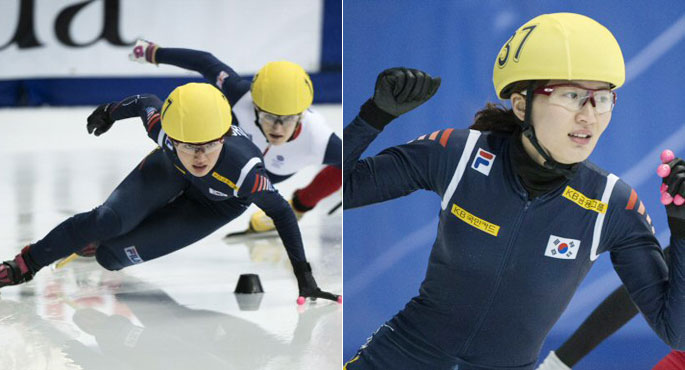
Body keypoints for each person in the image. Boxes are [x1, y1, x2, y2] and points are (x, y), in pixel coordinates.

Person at [343, 12, 685, 370]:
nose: (589, 116)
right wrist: (373, 116)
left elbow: (676, 334)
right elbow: (344, 186)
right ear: (522, 104)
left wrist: (683, 233)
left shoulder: (613, 205)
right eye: (572, 96)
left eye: (601, 99)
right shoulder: (458, 154)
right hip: (400, 357)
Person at [0, 82, 339, 304]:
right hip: (168, 169)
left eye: (208, 146)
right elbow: (147, 102)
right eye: (189, 146)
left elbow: (281, 212)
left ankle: (102, 242)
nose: (200, 157)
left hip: (215, 205)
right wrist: (110, 113)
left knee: (110, 257)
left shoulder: (246, 172)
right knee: (105, 221)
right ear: (172, 138)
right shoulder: (164, 134)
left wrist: (304, 276)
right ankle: (24, 264)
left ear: (222, 137)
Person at [129, 40, 342, 234]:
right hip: (217, 154)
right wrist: (155, 52)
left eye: (287, 119)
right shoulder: (242, 95)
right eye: (268, 116)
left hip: (250, 177)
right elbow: (206, 63)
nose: (277, 127)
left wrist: (303, 202)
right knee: (162, 185)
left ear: (302, 115)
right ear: (255, 105)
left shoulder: (319, 140)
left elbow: (354, 165)